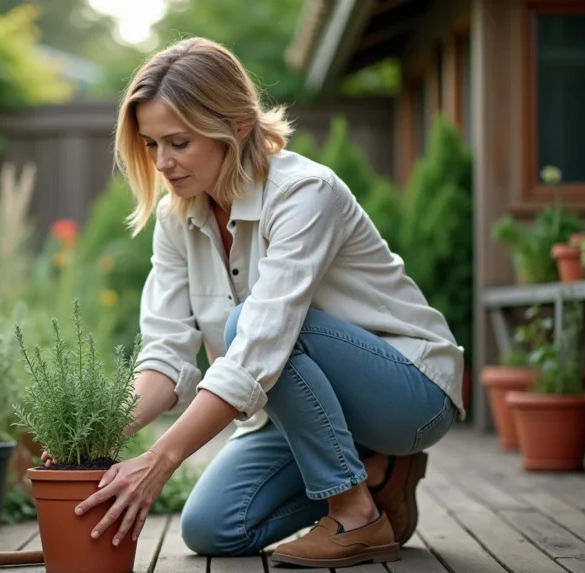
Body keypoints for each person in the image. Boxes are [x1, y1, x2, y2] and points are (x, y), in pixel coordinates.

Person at [55, 37, 464, 569]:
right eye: (152, 145)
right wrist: (92, 434)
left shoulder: (304, 193)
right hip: (303, 406)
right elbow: (165, 355)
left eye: (178, 142)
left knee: (249, 324)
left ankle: (356, 512)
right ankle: (377, 472)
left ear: (239, 125)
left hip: (409, 394)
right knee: (212, 527)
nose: (163, 163)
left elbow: (263, 341)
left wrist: (160, 459)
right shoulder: (176, 217)